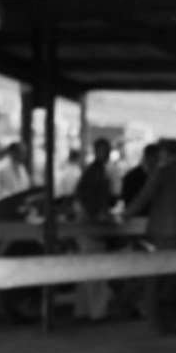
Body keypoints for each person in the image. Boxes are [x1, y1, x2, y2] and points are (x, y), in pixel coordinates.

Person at [125, 137, 176, 332]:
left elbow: (144, 198)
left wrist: (125, 215)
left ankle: (157, 318)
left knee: (160, 274)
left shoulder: (161, 173)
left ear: (165, 153)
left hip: (165, 231)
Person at [72, 138, 115, 322]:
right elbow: (88, 199)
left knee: (86, 268)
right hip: (90, 224)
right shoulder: (95, 172)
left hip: (88, 222)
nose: (108, 154)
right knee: (96, 267)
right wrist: (98, 216)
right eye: (105, 150)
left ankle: (83, 309)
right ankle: (97, 311)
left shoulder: (95, 171)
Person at [121, 142, 161, 209]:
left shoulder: (157, 174)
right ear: (149, 156)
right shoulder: (132, 177)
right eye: (156, 157)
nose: (158, 160)